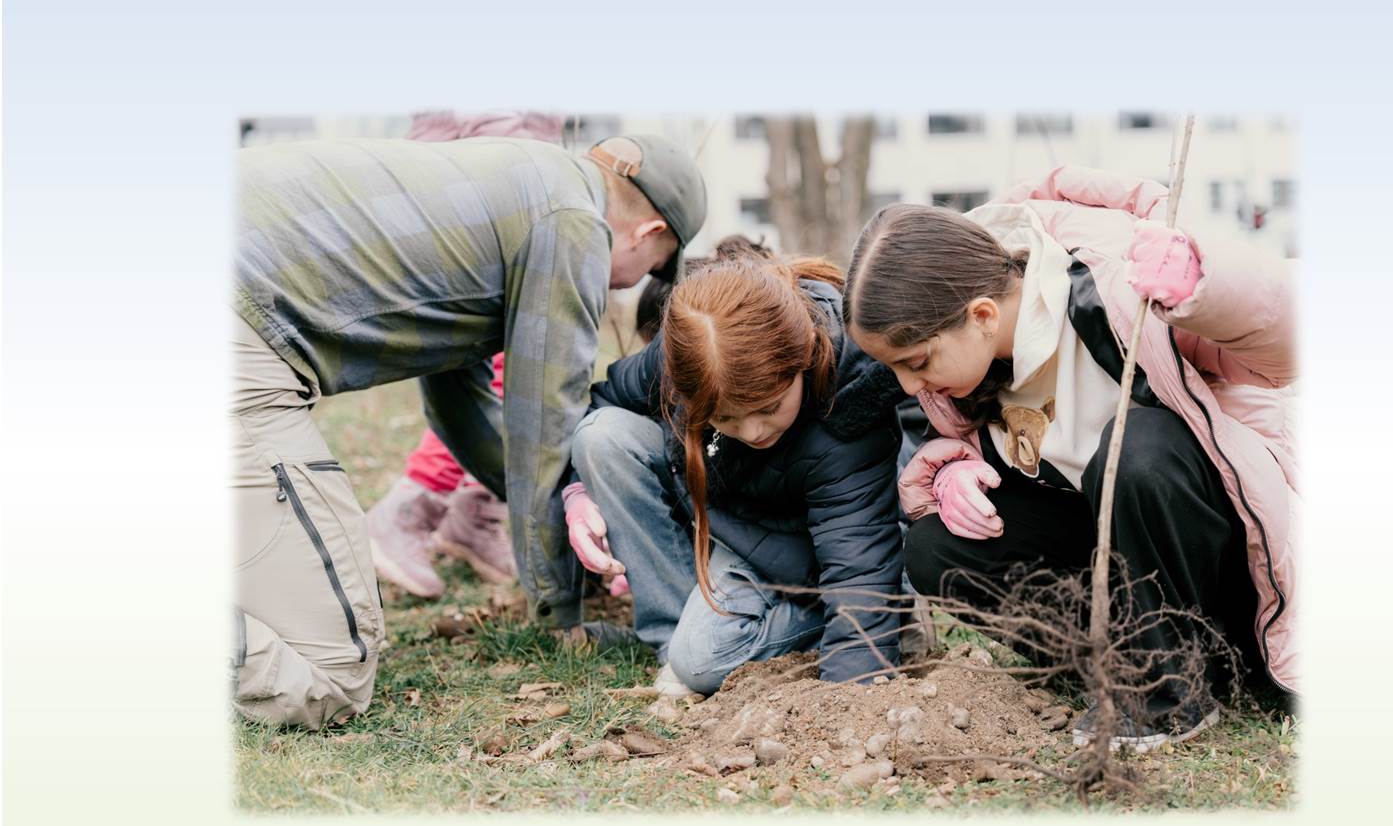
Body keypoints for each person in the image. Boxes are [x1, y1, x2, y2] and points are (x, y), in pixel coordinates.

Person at [232, 131, 706, 728]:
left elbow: (464, 407)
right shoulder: (574, 223)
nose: (624, 286)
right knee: (330, 676)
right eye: (648, 272)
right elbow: (545, 427)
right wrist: (560, 612)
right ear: (648, 233)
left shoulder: (518, 181)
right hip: (236, 311)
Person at [844, 165, 1299, 752]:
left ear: (982, 316)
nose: (910, 387)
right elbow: (1030, 462)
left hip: (1223, 564)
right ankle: (1122, 664)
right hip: (1123, 571)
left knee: (1133, 449)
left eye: (917, 362)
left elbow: (1287, 349)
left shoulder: (1114, 286)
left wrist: (1205, 291)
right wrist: (959, 466)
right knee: (938, 549)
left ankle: (1166, 692)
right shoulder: (965, 376)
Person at [566, 246, 909, 695]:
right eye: (725, 418)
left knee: (705, 659)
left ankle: (728, 644)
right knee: (601, 437)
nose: (752, 430)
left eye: (769, 407)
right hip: (732, 522)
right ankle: (673, 645)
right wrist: (576, 495)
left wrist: (856, 681)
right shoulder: (686, 354)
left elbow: (857, 563)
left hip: (812, 557)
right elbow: (605, 401)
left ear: (803, 356)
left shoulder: (846, 410)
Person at [364, 111, 564, 600]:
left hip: (504, 152)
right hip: (485, 162)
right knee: (495, 360)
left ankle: (475, 512)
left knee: (509, 356)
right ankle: (412, 508)